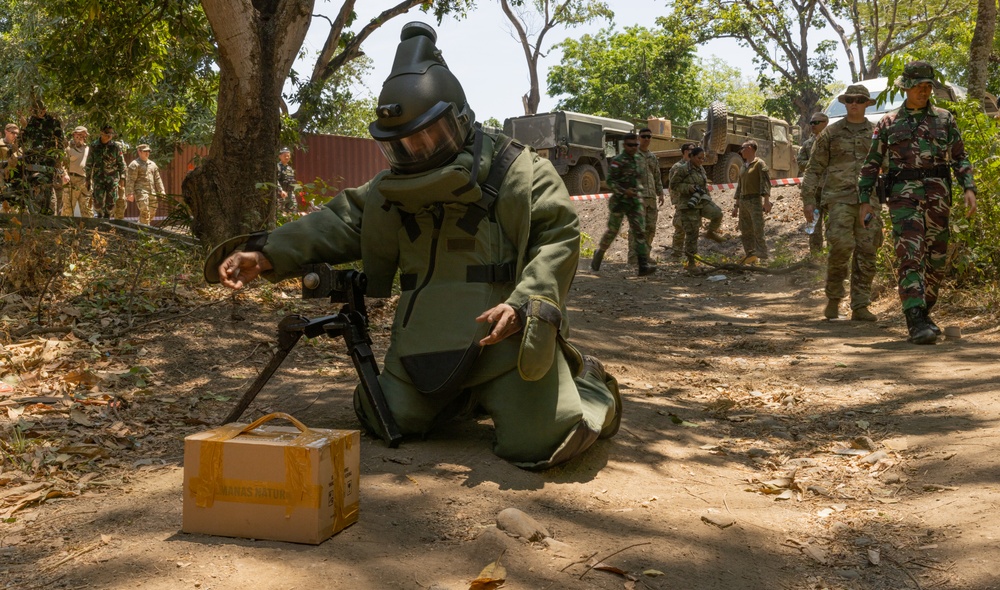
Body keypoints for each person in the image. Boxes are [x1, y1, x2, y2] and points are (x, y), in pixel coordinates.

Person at [207, 21, 622, 471]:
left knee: (543, 444)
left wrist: (524, 303)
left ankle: (589, 383)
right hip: (423, 345)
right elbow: (337, 222)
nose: (418, 150)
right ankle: (461, 400)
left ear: (459, 119)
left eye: (430, 135)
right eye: (402, 144)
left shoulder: (519, 173)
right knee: (383, 417)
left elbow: (556, 237)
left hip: (503, 344)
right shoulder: (390, 190)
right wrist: (266, 254)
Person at [858, 60, 977, 345]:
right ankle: (915, 320)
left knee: (936, 258)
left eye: (927, 87)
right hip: (903, 197)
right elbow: (871, 164)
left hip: (938, 196)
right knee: (910, 255)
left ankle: (924, 311)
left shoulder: (945, 118)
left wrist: (968, 188)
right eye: (918, 86)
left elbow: (960, 157)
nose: (923, 91)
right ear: (906, 88)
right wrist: (865, 201)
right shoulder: (887, 122)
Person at [801, 86, 881, 322]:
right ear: (845, 103)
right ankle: (834, 299)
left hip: (869, 201)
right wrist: (808, 200)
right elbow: (814, 168)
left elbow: (887, 165)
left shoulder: (877, 133)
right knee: (841, 246)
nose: (854, 103)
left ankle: (860, 305)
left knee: (867, 251)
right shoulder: (831, 133)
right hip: (838, 200)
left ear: (867, 103)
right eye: (850, 100)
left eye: (859, 100)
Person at [591, 133, 656, 276]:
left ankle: (642, 266)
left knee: (640, 232)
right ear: (624, 145)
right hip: (620, 202)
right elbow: (610, 182)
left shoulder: (639, 159)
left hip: (635, 202)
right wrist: (624, 191)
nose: (633, 147)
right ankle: (600, 253)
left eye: (635, 145)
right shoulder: (617, 161)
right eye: (630, 145)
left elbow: (640, 179)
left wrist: (639, 192)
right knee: (613, 231)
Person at [668, 146, 725, 270]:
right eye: (699, 158)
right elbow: (673, 185)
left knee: (718, 214)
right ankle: (691, 263)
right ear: (692, 157)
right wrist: (688, 188)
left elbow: (704, 186)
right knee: (692, 234)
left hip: (701, 200)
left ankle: (710, 232)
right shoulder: (682, 169)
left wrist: (708, 199)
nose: (701, 160)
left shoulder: (700, 169)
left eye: (703, 159)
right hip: (688, 205)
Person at [20, 95, 65, 214]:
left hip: (48, 158)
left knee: (47, 186)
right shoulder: (31, 121)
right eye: (34, 111)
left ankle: (46, 210)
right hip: (34, 158)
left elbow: (60, 142)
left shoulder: (53, 122)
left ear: (44, 110)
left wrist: (59, 159)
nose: (36, 113)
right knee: (33, 184)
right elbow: (23, 138)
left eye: (38, 111)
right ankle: (34, 212)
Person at [626, 127, 664, 265]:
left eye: (649, 136)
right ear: (638, 138)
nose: (647, 139)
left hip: (651, 198)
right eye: (644, 136)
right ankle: (632, 258)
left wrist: (660, 193)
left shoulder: (653, 157)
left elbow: (656, 176)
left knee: (650, 228)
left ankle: (645, 255)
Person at [731, 140, 771, 264]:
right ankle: (750, 255)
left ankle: (763, 256)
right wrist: (736, 206)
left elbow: (765, 183)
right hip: (743, 201)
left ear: (749, 148)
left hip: (754, 200)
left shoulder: (759, 164)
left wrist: (766, 201)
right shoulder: (743, 166)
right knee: (745, 229)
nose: (741, 152)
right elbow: (739, 186)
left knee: (758, 229)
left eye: (742, 149)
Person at [797, 112, 829, 253]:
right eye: (811, 122)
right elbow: (800, 162)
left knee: (833, 223)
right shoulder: (807, 144)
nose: (812, 125)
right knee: (813, 222)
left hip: (831, 189)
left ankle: (832, 254)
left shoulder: (833, 141)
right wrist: (815, 163)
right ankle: (815, 254)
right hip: (814, 191)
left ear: (825, 123)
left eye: (816, 122)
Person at [86, 125, 126, 218]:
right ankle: (99, 214)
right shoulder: (94, 146)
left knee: (111, 202)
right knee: (97, 202)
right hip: (98, 178)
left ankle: (107, 216)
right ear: (102, 133)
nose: (109, 135)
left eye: (111, 133)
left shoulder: (115, 146)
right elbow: (89, 163)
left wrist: (122, 178)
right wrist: (87, 179)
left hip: (112, 178)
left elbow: (122, 163)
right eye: (107, 133)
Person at [665, 142, 695, 259]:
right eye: (692, 149)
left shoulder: (696, 166)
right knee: (680, 228)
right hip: (682, 203)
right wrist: (677, 202)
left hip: (694, 202)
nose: (694, 151)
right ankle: (676, 254)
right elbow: (673, 186)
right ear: (685, 151)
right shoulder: (677, 167)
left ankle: (691, 256)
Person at [124, 144, 165, 225]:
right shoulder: (134, 164)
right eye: (145, 151)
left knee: (152, 213)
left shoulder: (153, 164)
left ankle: (140, 226)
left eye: (148, 151)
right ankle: (145, 232)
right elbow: (130, 180)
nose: (147, 153)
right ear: (139, 152)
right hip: (141, 191)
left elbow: (157, 179)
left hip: (152, 192)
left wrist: (162, 190)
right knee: (145, 211)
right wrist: (129, 193)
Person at [62, 126, 92, 218]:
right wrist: (64, 174)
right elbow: (61, 163)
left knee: (87, 209)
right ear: (74, 134)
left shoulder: (88, 148)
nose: (81, 137)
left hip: (84, 181)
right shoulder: (67, 148)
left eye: (83, 135)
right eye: (79, 134)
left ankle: (89, 230)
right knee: (68, 208)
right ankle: (66, 230)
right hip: (71, 180)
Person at [276, 147, 301, 213]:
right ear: (280, 156)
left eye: (288, 156)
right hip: (280, 194)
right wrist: (281, 191)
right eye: (285, 156)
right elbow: (275, 180)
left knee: (293, 210)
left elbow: (291, 181)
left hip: (290, 193)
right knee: (279, 212)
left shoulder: (290, 168)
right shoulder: (278, 167)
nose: (287, 158)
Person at [0, 124, 20, 206]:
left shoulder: (18, 146)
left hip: (16, 180)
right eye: (12, 133)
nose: (15, 135)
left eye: (16, 134)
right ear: (6, 131)